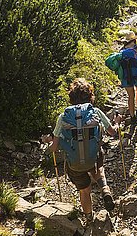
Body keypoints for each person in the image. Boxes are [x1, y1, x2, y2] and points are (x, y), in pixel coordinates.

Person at [43, 78, 119, 225]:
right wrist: (117, 123)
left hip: (74, 163)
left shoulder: (63, 116)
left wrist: (47, 142)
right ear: (90, 96)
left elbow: (54, 148)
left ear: (71, 97)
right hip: (93, 157)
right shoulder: (95, 111)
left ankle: (89, 219)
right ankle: (104, 189)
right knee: (98, 164)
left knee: (84, 190)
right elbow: (112, 133)